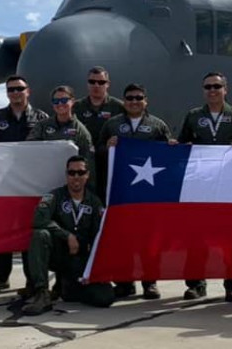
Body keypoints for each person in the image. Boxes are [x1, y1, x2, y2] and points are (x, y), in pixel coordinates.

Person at [178, 71, 232, 301]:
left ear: (225, 89)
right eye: (208, 87)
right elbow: (182, 144)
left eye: (216, 87)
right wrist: (178, 146)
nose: (212, 91)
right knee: (196, 238)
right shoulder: (193, 116)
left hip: (230, 190)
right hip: (201, 189)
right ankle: (195, 284)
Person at [98, 83, 175, 300]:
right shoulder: (112, 125)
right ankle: (124, 282)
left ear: (145, 101)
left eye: (138, 98)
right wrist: (108, 147)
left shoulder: (157, 125)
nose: (134, 102)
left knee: (148, 241)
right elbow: (98, 151)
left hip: (149, 194)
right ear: (124, 101)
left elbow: (168, 158)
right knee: (123, 239)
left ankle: (149, 282)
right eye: (129, 98)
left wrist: (171, 147)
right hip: (121, 192)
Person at [22, 156, 114, 315]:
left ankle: (69, 287)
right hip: (58, 254)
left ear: (87, 175)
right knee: (40, 234)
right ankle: (42, 293)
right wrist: (67, 236)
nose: (76, 177)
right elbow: (38, 220)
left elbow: (100, 235)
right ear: (66, 175)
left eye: (80, 172)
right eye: (72, 173)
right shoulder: (54, 196)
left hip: (80, 259)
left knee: (105, 298)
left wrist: (97, 270)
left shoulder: (94, 201)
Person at [0, 75, 48, 294]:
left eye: (19, 89)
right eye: (11, 89)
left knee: (30, 232)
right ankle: (2, 277)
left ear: (28, 91)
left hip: (31, 186)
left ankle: (33, 280)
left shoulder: (41, 118)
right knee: (4, 231)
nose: (15, 93)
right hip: (4, 185)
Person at [72, 66, 125, 200]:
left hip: (108, 164)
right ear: (87, 84)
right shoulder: (76, 107)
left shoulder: (119, 107)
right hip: (83, 163)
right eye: (92, 82)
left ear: (108, 84)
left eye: (101, 82)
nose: (96, 85)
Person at [27, 85, 94, 185]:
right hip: (45, 180)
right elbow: (28, 149)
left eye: (64, 100)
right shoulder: (42, 126)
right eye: (56, 101)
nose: (60, 104)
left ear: (72, 101)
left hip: (71, 183)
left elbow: (88, 163)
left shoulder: (81, 131)